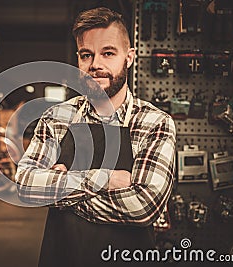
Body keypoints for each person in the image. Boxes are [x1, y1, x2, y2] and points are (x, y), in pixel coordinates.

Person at [15, 7, 176, 267]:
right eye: (86, 55)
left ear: (129, 57)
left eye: (108, 53)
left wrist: (63, 193)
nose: (95, 65)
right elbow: (26, 186)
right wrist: (106, 179)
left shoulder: (154, 123)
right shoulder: (58, 117)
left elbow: (144, 206)